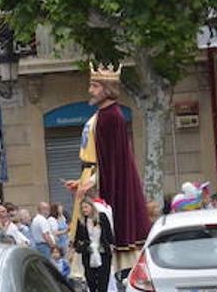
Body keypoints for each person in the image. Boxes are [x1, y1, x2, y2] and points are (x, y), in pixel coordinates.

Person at [63, 64, 151, 273]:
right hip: (90, 176)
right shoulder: (102, 116)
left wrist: (91, 182)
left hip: (96, 181)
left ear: (107, 88)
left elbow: (112, 161)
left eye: (94, 86)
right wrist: (83, 181)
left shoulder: (112, 117)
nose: (90, 91)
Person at [74, 199, 115, 292]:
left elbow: (108, 233)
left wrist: (111, 245)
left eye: (86, 207)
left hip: (102, 251)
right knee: (90, 277)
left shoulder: (101, 217)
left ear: (91, 207)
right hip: (89, 252)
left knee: (103, 278)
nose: (84, 210)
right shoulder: (81, 221)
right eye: (82, 208)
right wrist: (79, 245)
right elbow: (78, 238)